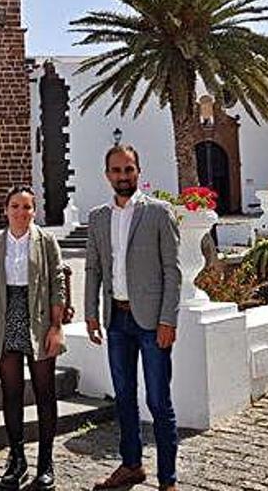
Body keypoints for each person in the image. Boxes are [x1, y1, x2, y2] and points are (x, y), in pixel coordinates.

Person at [84, 145, 181, 491]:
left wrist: (169, 319)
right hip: (117, 322)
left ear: (138, 171)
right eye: (116, 170)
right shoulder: (98, 217)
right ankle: (131, 466)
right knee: (124, 397)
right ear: (107, 174)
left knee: (158, 401)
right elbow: (94, 268)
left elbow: (173, 270)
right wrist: (91, 314)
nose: (122, 176)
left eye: (128, 170)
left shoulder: (158, 212)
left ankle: (167, 480)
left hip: (153, 323)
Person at [0, 186, 66, 490]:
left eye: (27, 207)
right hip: (5, 318)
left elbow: (58, 283)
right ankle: (16, 460)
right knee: (11, 394)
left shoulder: (46, 241)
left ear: (34, 210)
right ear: (6, 209)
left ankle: (46, 462)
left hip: (39, 319)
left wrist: (56, 327)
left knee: (44, 392)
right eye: (15, 206)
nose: (21, 212)